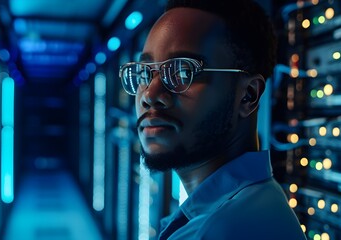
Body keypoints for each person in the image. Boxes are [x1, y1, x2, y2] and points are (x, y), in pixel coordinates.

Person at [118, 0, 307, 239]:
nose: (150, 95)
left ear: (248, 95)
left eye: (182, 71)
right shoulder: (261, 201)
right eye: (145, 72)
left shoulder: (220, 230)